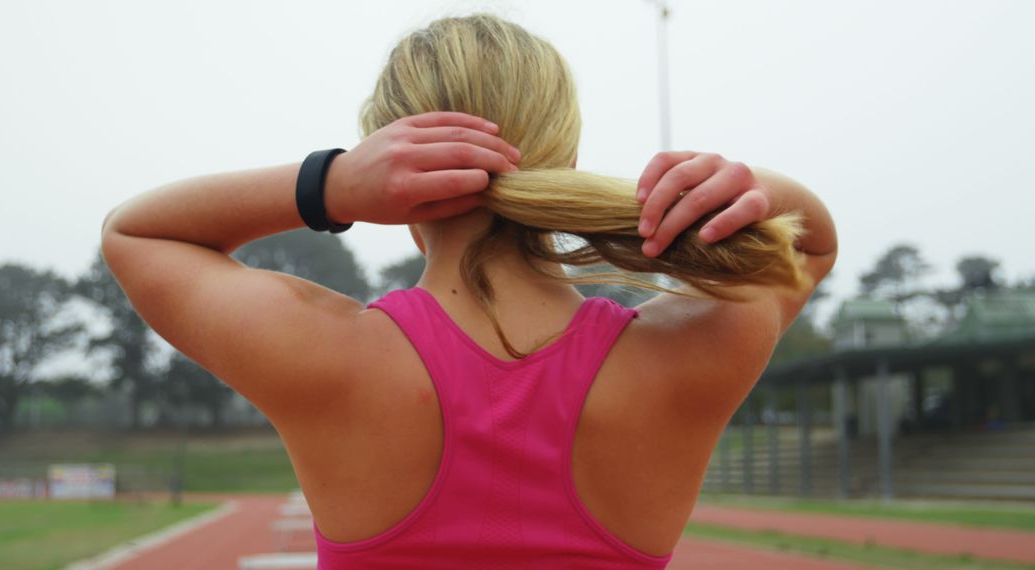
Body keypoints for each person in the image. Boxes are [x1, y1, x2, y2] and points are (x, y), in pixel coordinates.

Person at [101, 14, 836, 569]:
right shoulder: (684, 358)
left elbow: (136, 234)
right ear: (568, 157)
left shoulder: (327, 355)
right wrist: (747, 188)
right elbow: (809, 243)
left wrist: (329, 184)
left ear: (390, 166)